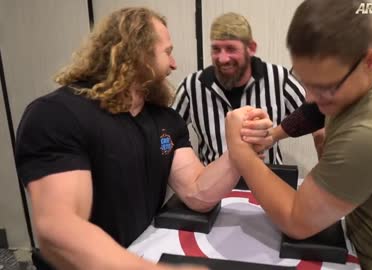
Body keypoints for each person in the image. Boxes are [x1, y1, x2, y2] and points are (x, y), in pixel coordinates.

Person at [14, 7, 269, 270]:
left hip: (137, 252)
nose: (174, 64)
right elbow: (61, 230)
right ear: (137, 52)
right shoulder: (57, 115)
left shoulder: (166, 120)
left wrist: (238, 152)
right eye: (167, 52)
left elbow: (196, 191)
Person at [226, 0, 372, 269]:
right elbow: (314, 112)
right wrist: (272, 136)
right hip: (360, 242)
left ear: (368, 61)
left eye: (324, 87)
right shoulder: (368, 74)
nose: (310, 96)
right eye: (304, 80)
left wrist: (240, 152)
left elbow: (296, 219)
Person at [172, 12, 316, 165]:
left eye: (231, 49)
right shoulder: (192, 86)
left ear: (251, 48)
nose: (222, 58)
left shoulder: (278, 78)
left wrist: (274, 135)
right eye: (216, 49)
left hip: (268, 182)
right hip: (213, 186)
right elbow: (167, 134)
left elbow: (314, 114)